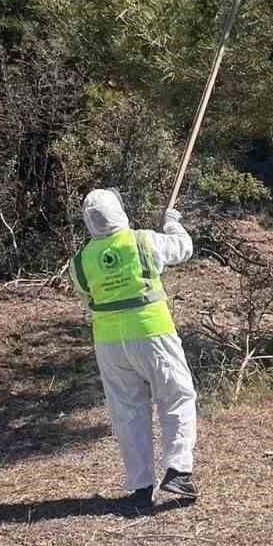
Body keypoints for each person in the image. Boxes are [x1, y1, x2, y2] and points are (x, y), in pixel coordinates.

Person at [71, 189, 198, 515]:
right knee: (177, 397)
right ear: (120, 210)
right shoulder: (143, 241)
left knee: (128, 413)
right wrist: (172, 223)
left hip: (109, 343)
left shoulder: (80, 262)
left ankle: (141, 487)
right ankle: (178, 471)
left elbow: (88, 300)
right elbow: (183, 248)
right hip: (152, 332)